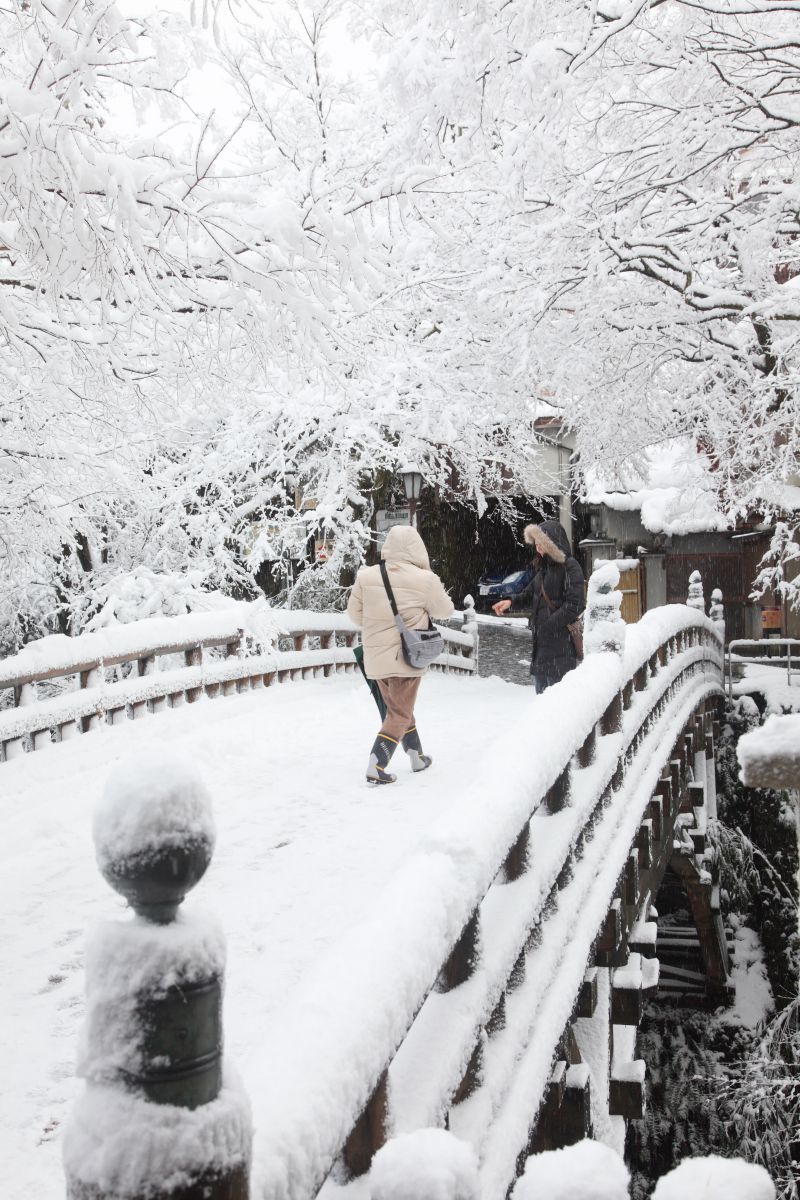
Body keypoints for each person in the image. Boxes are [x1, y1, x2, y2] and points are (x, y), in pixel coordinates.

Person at [347, 524, 454, 784]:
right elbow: (446, 610)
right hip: (408, 656)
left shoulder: (366, 576)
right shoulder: (425, 579)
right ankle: (377, 763)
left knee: (399, 707)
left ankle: (416, 755)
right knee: (399, 712)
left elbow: (354, 615)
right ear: (418, 549)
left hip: (376, 658)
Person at [493, 520, 585, 693]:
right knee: (542, 706)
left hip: (561, 651)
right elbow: (529, 594)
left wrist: (548, 626)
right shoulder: (544, 569)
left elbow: (575, 604)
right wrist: (511, 602)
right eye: (535, 543)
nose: (537, 547)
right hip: (541, 651)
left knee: (559, 704)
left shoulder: (570, 567)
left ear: (552, 544)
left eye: (540, 543)